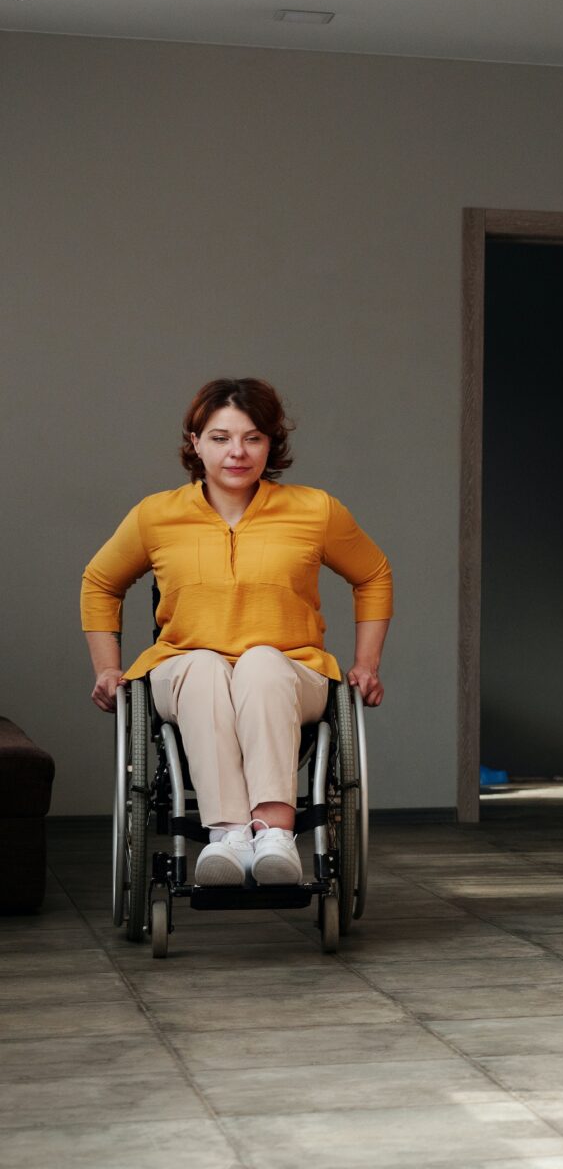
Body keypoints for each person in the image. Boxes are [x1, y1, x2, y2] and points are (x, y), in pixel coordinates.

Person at [81, 378, 392, 887]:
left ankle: (274, 836)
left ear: (271, 444)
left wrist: (367, 664)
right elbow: (100, 582)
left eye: (252, 438)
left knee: (261, 661)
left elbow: (373, 573)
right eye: (221, 437)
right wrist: (106, 667)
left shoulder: (315, 510)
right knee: (205, 665)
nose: (237, 452)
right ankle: (228, 837)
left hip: (293, 671)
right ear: (195, 442)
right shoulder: (156, 515)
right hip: (183, 669)